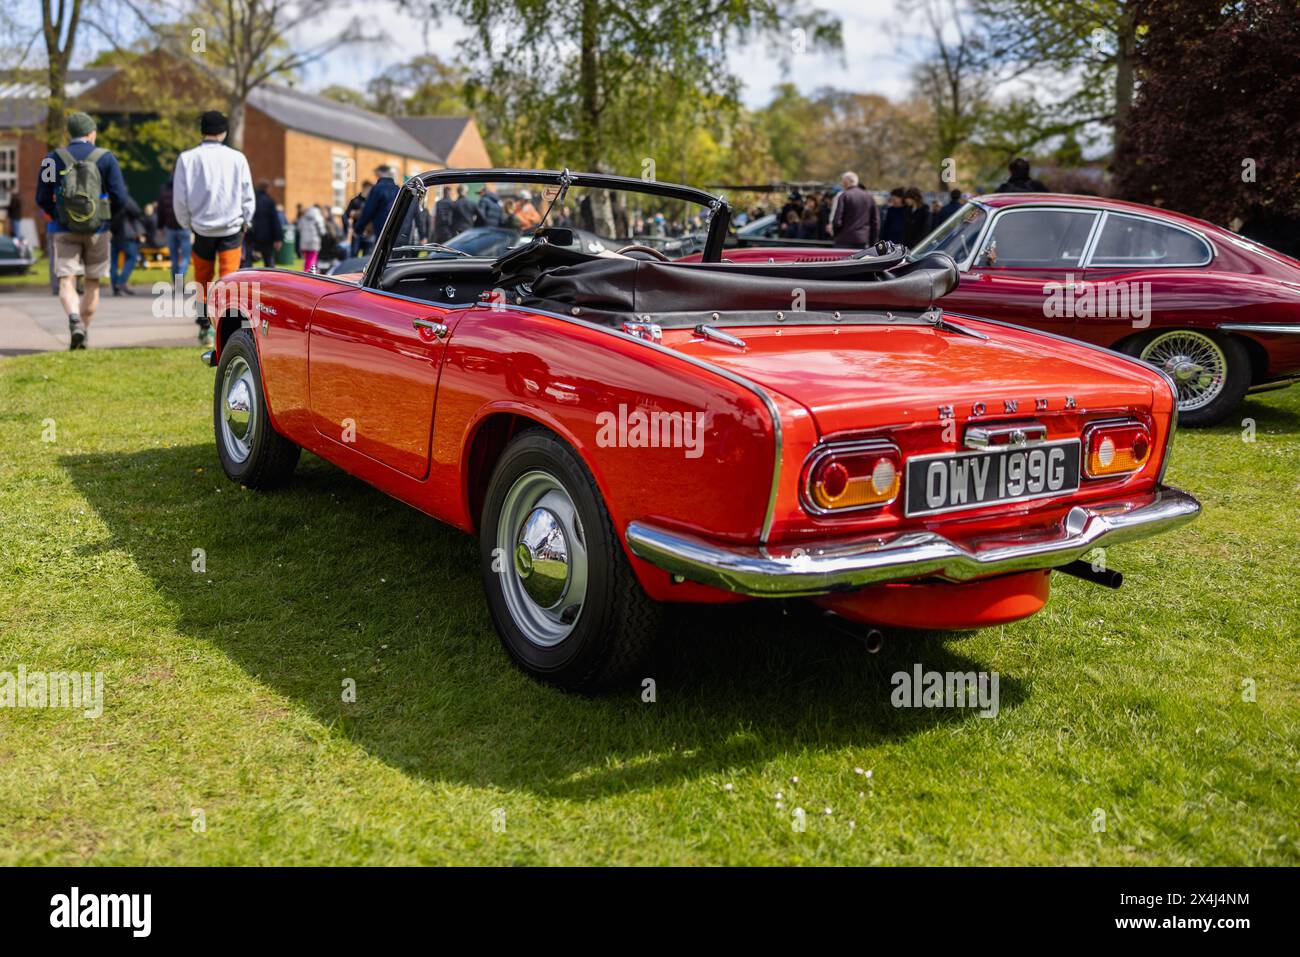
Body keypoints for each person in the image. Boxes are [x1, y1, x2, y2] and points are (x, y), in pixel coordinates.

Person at [34, 111, 128, 350]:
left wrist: (58, 215)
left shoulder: (51, 159)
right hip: (99, 230)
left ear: (70, 133)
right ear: (91, 133)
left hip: (63, 229)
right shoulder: (107, 158)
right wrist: (106, 219)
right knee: (93, 282)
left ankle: (73, 319)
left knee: (66, 279)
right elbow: (120, 197)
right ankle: (83, 332)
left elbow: (41, 197)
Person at [173, 110, 255, 347]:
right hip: (230, 228)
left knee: (202, 280)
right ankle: (227, 328)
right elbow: (247, 193)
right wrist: (246, 220)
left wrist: (187, 223)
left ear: (202, 131)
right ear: (224, 132)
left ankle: (204, 327)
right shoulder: (237, 158)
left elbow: (180, 197)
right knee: (229, 280)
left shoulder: (187, 158)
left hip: (201, 228)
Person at [109, 193, 147, 296]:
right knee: (131, 258)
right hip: (127, 234)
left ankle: (116, 286)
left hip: (114, 233)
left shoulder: (108, 198)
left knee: (114, 262)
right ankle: (121, 283)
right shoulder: (124, 198)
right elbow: (137, 211)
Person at [353, 166, 399, 249]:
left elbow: (368, 210)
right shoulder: (398, 189)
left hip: (381, 228)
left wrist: (358, 228)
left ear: (379, 173)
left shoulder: (377, 188)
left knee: (380, 255)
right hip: (397, 229)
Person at [830, 171, 879, 248]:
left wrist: (836, 235)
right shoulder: (869, 197)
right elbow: (875, 221)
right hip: (863, 240)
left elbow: (837, 220)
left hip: (844, 240)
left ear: (845, 183)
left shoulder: (844, 196)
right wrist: (872, 241)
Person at [250, 179, 283, 267]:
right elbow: (275, 221)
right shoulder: (269, 201)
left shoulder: (252, 200)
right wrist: (278, 238)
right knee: (269, 262)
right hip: (267, 237)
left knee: (248, 262)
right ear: (267, 188)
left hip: (252, 235)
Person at [344, 180, 371, 255]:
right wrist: (349, 228)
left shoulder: (371, 202)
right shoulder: (355, 201)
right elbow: (346, 215)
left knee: (367, 259)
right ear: (364, 188)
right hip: (357, 233)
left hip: (368, 234)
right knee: (354, 256)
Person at [296, 203, 325, 272]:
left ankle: (306, 270)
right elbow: (322, 231)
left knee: (307, 258)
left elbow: (299, 228)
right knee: (313, 257)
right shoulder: (318, 217)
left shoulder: (303, 217)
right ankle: (311, 272)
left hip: (305, 241)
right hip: (314, 241)